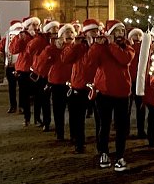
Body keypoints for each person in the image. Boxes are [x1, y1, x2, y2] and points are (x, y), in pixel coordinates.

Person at [88, 19, 135, 171]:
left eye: (122, 31)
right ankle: (103, 152)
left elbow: (124, 59)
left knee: (121, 127)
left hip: (122, 92)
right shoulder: (102, 47)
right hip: (104, 92)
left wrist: (112, 44)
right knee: (104, 125)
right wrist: (97, 45)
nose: (120, 34)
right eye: (117, 31)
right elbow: (91, 60)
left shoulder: (128, 47)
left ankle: (120, 156)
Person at [62, 19, 101, 154]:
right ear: (85, 33)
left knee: (100, 118)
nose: (95, 34)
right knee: (78, 118)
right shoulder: (79, 46)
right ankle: (79, 143)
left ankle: (100, 144)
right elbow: (66, 59)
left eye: (96, 31)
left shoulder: (100, 45)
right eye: (92, 31)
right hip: (80, 85)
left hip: (96, 85)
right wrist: (74, 46)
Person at [10, 16, 42, 127]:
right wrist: (20, 39)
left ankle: (37, 118)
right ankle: (27, 117)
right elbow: (13, 50)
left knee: (38, 95)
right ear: (27, 26)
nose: (36, 27)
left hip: (37, 68)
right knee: (25, 95)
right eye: (33, 25)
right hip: (24, 69)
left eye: (37, 25)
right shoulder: (21, 36)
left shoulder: (39, 36)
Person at [45, 24, 76, 141]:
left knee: (74, 111)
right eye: (66, 32)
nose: (70, 34)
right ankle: (60, 133)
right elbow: (46, 59)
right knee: (58, 110)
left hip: (73, 82)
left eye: (72, 32)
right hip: (58, 82)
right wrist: (53, 47)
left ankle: (74, 134)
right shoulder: (55, 47)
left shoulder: (77, 47)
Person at [30, 20, 61, 131]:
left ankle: (52, 123)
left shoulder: (59, 41)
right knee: (43, 99)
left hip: (53, 73)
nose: (55, 33)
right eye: (53, 31)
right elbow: (31, 50)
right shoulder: (40, 40)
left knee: (51, 100)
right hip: (42, 73)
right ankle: (44, 121)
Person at [127, 28, 149, 140]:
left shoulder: (144, 47)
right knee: (128, 107)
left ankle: (140, 130)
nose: (138, 37)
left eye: (140, 35)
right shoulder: (129, 47)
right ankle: (126, 129)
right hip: (130, 80)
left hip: (140, 80)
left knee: (140, 107)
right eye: (135, 35)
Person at [0, 21, 23, 113]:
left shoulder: (24, 38)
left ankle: (22, 106)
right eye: (17, 29)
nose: (18, 30)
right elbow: (0, 47)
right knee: (12, 88)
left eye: (20, 29)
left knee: (22, 88)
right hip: (11, 66)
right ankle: (13, 105)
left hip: (21, 66)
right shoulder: (6, 39)